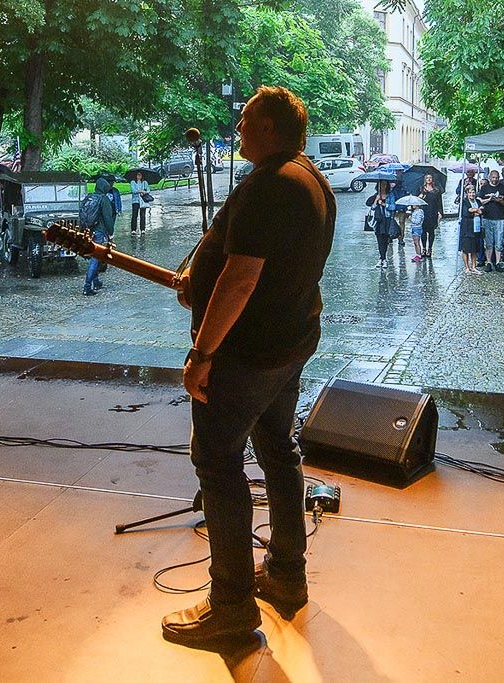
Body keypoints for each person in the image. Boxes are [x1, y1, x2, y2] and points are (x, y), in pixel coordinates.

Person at [161, 86, 335, 648]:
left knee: (216, 460)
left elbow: (240, 277)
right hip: (287, 345)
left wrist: (202, 353)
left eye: (243, 122)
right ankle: (286, 575)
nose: (235, 130)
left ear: (266, 129)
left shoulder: (269, 185)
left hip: (246, 355)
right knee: (278, 448)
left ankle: (231, 607)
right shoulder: (310, 179)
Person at [83, 176, 115, 295]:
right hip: (99, 232)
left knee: (95, 256)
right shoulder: (103, 199)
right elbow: (108, 218)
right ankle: (87, 287)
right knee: (95, 258)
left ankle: (96, 282)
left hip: (89, 231)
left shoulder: (89, 197)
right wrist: (111, 232)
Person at [477, 170, 504, 271]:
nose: (495, 179)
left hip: (500, 218)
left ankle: (498, 262)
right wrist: (489, 199)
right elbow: (479, 201)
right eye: (493, 177)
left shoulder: (503, 188)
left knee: (499, 241)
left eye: (496, 177)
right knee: (488, 241)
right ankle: (488, 262)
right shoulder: (484, 188)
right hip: (487, 217)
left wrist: (501, 201)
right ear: (489, 177)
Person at [368, 181, 398, 268]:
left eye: (385, 184)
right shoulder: (376, 195)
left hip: (387, 219)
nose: (383, 186)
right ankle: (382, 258)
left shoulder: (390, 195)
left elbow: (393, 207)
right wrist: (376, 200)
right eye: (381, 184)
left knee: (385, 240)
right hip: (378, 220)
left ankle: (384, 259)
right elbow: (372, 208)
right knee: (379, 240)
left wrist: (384, 204)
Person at [458, 186, 484, 274]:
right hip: (467, 227)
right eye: (470, 192)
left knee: (474, 247)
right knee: (465, 247)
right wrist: (476, 210)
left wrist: (475, 210)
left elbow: (482, 210)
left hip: (476, 227)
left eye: (473, 192)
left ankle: (473, 266)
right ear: (467, 193)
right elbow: (466, 212)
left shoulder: (477, 201)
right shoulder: (464, 202)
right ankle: (467, 267)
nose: (472, 194)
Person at [419, 173, 442, 258]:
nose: (429, 179)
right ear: (425, 179)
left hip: (433, 212)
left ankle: (430, 248)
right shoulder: (421, 189)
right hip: (424, 211)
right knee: (423, 231)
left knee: (431, 231)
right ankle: (424, 248)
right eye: (427, 178)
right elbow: (417, 201)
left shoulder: (436, 190)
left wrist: (440, 212)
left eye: (430, 178)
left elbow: (439, 202)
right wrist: (420, 197)